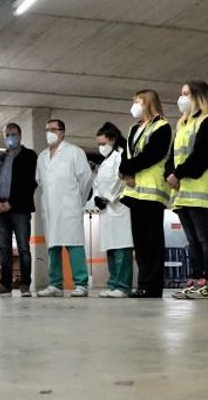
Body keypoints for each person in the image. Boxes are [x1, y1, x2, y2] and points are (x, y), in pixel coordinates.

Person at [168, 80, 208, 300]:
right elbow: (173, 155)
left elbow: (202, 154)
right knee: (192, 240)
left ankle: (207, 282)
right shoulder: (182, 125)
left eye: (186, 94)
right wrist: (169, 174)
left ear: (198, 97)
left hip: (201, 190)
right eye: (181, 93)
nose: (182, 98)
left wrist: (178, 173)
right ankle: (195, 278)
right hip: (183, 192)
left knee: (204, 238)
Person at [118, 90, 172, 299]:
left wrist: (128, 168)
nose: (135, 106)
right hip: (135, 192)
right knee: (140, 242)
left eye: (138, 102)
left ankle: (153, 286)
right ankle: (142, 284)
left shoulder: (161, 126)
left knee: (152, 241)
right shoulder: (134, 129)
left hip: (152, 191)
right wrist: (125, 172)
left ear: (149, 104)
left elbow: (152, 155)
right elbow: (127, 154)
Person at [34, 119, 92, 298]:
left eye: (53, 129)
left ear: (62, 132)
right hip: (50, 208)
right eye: (47, 129)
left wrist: (78, 200)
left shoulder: (74, 152)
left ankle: (81, 283)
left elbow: (86, 179)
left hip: (70, 207)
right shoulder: (42, 156)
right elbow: (40, 180)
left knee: (74, 244)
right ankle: (55, 284)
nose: (49, 133)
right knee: (53, 246)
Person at [0, 123, 38, 297]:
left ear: (20, 136)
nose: (10, 138)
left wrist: (11, 202)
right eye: (7, 135)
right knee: (4, 249)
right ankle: (5, 285)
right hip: (0, 210)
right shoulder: (0, 159)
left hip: (20, 209)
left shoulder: (29, 156)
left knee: (23, 248)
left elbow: (30, 183)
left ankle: (25, 285)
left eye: (13, 134)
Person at [91, 123, 133, 298]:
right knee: (110, 249)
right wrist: (97, 198)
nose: (100, 147)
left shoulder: (120, 156)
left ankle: (123, 286)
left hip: (119, 207)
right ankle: (113, 283)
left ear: (113, 140)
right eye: (98, 144)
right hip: (106, 211)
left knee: (122, 249)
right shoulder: (105, 162)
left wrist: (107, 197)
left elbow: (120, 181)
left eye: (103, 143)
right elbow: (97, 183)